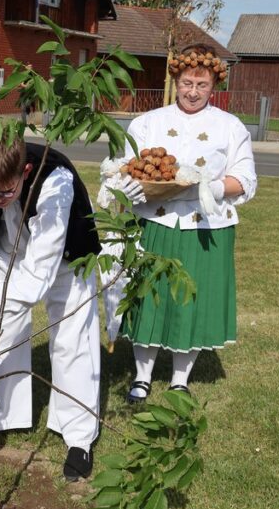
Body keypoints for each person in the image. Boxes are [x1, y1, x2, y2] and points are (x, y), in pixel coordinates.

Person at [0, 129, 102, 482]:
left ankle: (79, 436)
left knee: (72, 339)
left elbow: (39, 272)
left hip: (67, 256)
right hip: (7, 248)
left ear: (24, 172)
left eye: (5, 192)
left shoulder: (56, 180)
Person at [98, 44, 257, 404]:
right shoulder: (149, 122)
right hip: (153, 222)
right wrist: (127, 187)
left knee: (190, 301)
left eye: (202, 84)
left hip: (205, 229)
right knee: (147, 298)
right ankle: (141, 377)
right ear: (176, 80)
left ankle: (180, 380)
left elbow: (246, 178)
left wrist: (212, 187)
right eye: (187, 82)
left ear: (214, 84)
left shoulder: (229, 127)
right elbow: (124, 166)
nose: (193, 91)